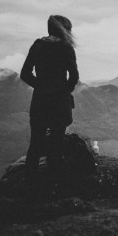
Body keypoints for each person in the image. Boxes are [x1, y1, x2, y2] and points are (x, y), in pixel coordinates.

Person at [20, 15, 79, 188]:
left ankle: (30, 185)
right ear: (65, 30)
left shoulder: (37, 45)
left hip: (40, 101)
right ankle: (53, 185)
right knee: (56, 145)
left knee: (35, 145)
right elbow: (74, 77)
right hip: (59, 103)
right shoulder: (66, 48)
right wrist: (63, 91)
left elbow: (25, 74)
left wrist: (41, 86)